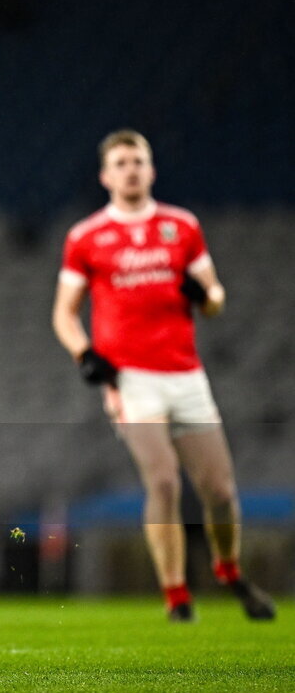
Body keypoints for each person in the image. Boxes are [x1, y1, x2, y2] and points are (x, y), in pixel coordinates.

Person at [52, 129, 275, 622]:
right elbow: (64, 314)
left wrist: (207, 298)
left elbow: (215, 297)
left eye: (139, 161)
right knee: (164, 481)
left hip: (186, 374)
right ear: (105, 175)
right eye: (122, 162)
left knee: (218, 488)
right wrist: (84, 353)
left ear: (152, 170)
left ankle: (227, 568)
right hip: (132, 380)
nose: (131, 169)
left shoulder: (182, 227)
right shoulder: (86, 237)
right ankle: (177, 596)